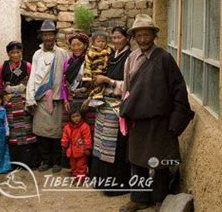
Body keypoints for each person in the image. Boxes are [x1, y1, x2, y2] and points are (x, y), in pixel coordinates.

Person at [119, 14, 194, 212]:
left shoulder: (165, 59)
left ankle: (161, 199)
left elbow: (178, 89)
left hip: (160, 120)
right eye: (139, 36)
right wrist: (124, 111)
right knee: (137, 161)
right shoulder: (131, 59)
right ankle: (140, 198)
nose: (143, 39)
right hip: (138, 120)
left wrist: (175, 123)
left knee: (160, 162)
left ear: (153, 35)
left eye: (147, 35)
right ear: (134, 37)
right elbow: (127, 90)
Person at [89, 25, 132, 195]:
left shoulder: (130, 57)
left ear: (127, 38)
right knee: (101, 144)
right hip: (104, 105)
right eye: (113, 38)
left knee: (114, 146)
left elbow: (130, 85)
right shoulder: (111, 55)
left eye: (119, 37)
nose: (116, 41)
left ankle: (116, 185)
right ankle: (101, 181)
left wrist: (108, 81)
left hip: (117, 107)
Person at [26, 20, 69, 173]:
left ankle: (57, 162)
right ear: (41, 36)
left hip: (56, 99)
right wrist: (30, 97)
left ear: (55, 36)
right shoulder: (37, 54)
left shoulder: (62, 54)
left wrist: (66, 96)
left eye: (51, 35)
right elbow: (33, 76)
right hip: (40, 98)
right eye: (45, 35)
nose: (48, 38)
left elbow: (66, 76)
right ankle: (45, 161)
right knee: (41, 132)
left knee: (56, 133)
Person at [0, 41, 38, 168]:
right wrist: (6, 91)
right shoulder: (2, 67)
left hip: (24, 103)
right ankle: (14, 163)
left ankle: (28, 162)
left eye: (18, 52)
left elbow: (33, 83)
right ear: (8, 54)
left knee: (26, 131)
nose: (15, 55)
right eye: (12, 52)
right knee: (13, 133)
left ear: (21, 52)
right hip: (9, 105)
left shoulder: (28, 66)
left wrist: (24, 90)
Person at [61, 108, 92, 182]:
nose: (76, 118)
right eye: (73, 117)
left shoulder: (84, 126)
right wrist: (64, 145)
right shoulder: (67, 127)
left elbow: (87, 138)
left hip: (81, 151)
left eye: (77, 116)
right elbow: (65, 137)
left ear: (81, 116)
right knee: (73, 166)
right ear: (70, 118)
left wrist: (87, 148)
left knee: (81, 166)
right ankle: (75, 177)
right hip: (71, 152)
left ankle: (80, 179)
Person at [82, 31, 113, 103]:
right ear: (93, 42)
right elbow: (87, 64)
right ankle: (95, 97)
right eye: (98, 41)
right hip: (95, 72)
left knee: (104, 86)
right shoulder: (91, 52)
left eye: (103, 41)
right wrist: (88, 76)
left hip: (106, 72)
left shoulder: (109, 50)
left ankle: (98, 97)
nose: (101, 43)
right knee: (97, 86)